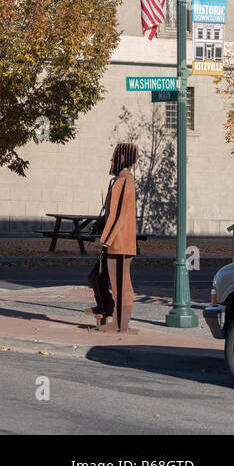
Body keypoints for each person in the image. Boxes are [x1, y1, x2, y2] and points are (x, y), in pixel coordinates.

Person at [90, 142, 139, 332]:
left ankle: (120, 325)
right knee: (95, 276)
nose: (111, 160)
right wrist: (99, 226)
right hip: (113, 241)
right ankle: (105, 307)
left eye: (114, 157)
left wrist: (107, 237)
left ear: (122, 158)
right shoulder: (118, 180)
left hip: (120, 243)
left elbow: (120, 214)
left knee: (121, 285)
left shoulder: (126, 180)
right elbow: (110, 212)